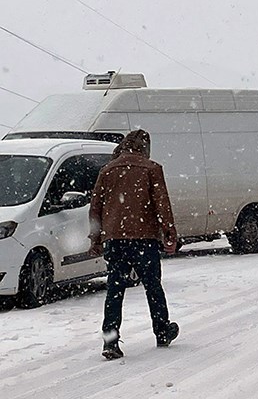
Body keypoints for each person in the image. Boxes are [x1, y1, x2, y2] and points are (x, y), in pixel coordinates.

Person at [89, 129, 179, 360]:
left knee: (114, 290)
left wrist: (96, 238)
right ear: (144, 147)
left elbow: (96, 207)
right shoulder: (151, 169)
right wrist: (169, 232)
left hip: (114, 240)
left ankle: (110, 342)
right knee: (153, 287)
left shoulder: (107, 170)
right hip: (143, 238)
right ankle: (162, 331)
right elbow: (162, 204)